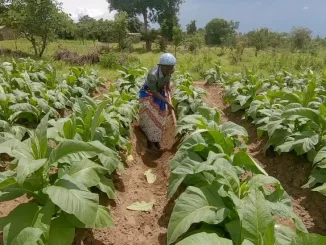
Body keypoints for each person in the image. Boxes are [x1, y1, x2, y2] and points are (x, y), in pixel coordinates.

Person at [139, 53, 176, 153]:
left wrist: (167, 85)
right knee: (151, 118)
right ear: (162, 66)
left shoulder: (170, 70)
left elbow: (168, 77)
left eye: (172, 67)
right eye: (168, 68)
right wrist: (167, 102)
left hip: (159, 92)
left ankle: (156, 141)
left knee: (160, 117)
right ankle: (150, 144)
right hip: (148, 93)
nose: (171, 69)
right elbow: (154, 92)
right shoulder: (153, 75)